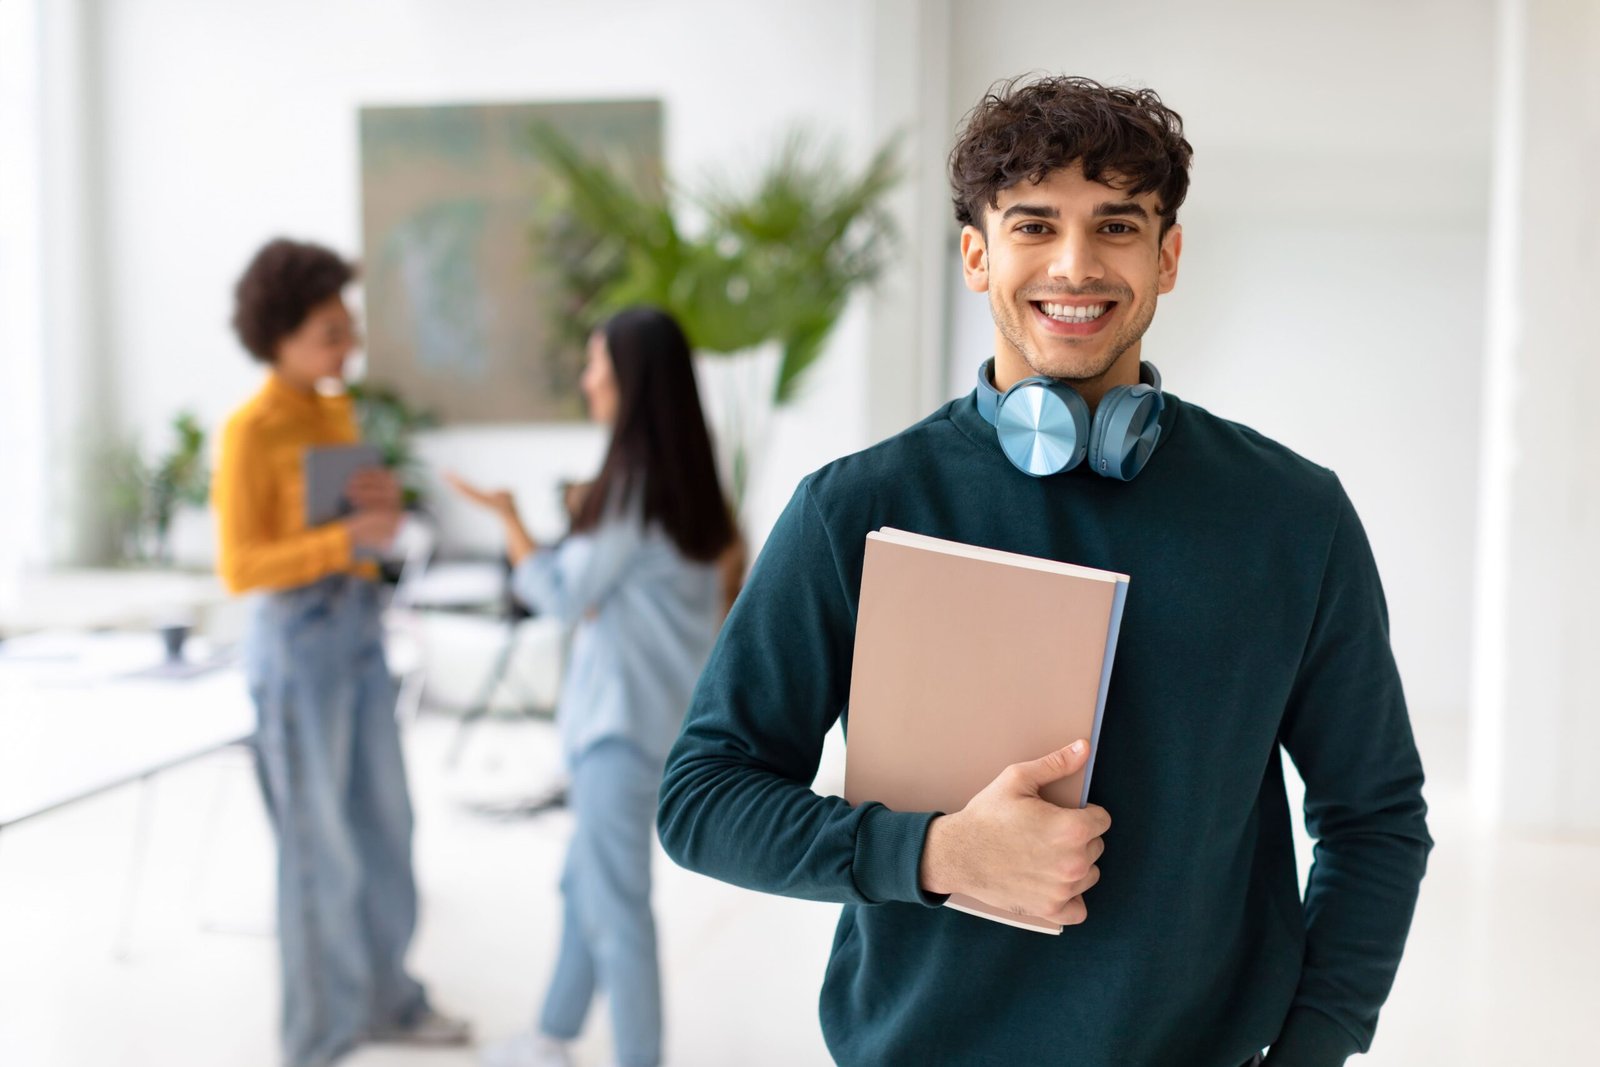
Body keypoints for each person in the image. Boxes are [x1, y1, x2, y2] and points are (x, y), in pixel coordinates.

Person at [656, 75, 1432, 1067]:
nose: (1075, 264)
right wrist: (936, 853)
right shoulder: (853, 508)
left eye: (1116, 225)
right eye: (1033, 225)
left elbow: (1375, 818)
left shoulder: (1293, 515)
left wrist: (1314, 1044)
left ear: (1168, 256)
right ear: (977, 255)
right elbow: (701, 798)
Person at [451, 306, 737, 1067]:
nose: (586, 382)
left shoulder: (630, 487)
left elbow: (560, 593)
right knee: (585, 884)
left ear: (631, 382)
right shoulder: (689, 483)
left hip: (616, 731)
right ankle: (550, 1034)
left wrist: (510, 524)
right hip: (659, 721)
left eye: (596, 368)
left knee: (616, 909)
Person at [214, 237, 469, 1067]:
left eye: (347, 328)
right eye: (329, 331)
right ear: (279, 334)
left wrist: (377, 524)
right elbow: (240, 566)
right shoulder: (249, 432)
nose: (346, 346)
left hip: (359, 633)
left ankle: (389, 998)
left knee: (386, 824)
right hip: (298, 647)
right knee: (317, 847)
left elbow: (353, 533)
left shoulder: (334, 411)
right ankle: (318, 1036)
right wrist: (339, 543)